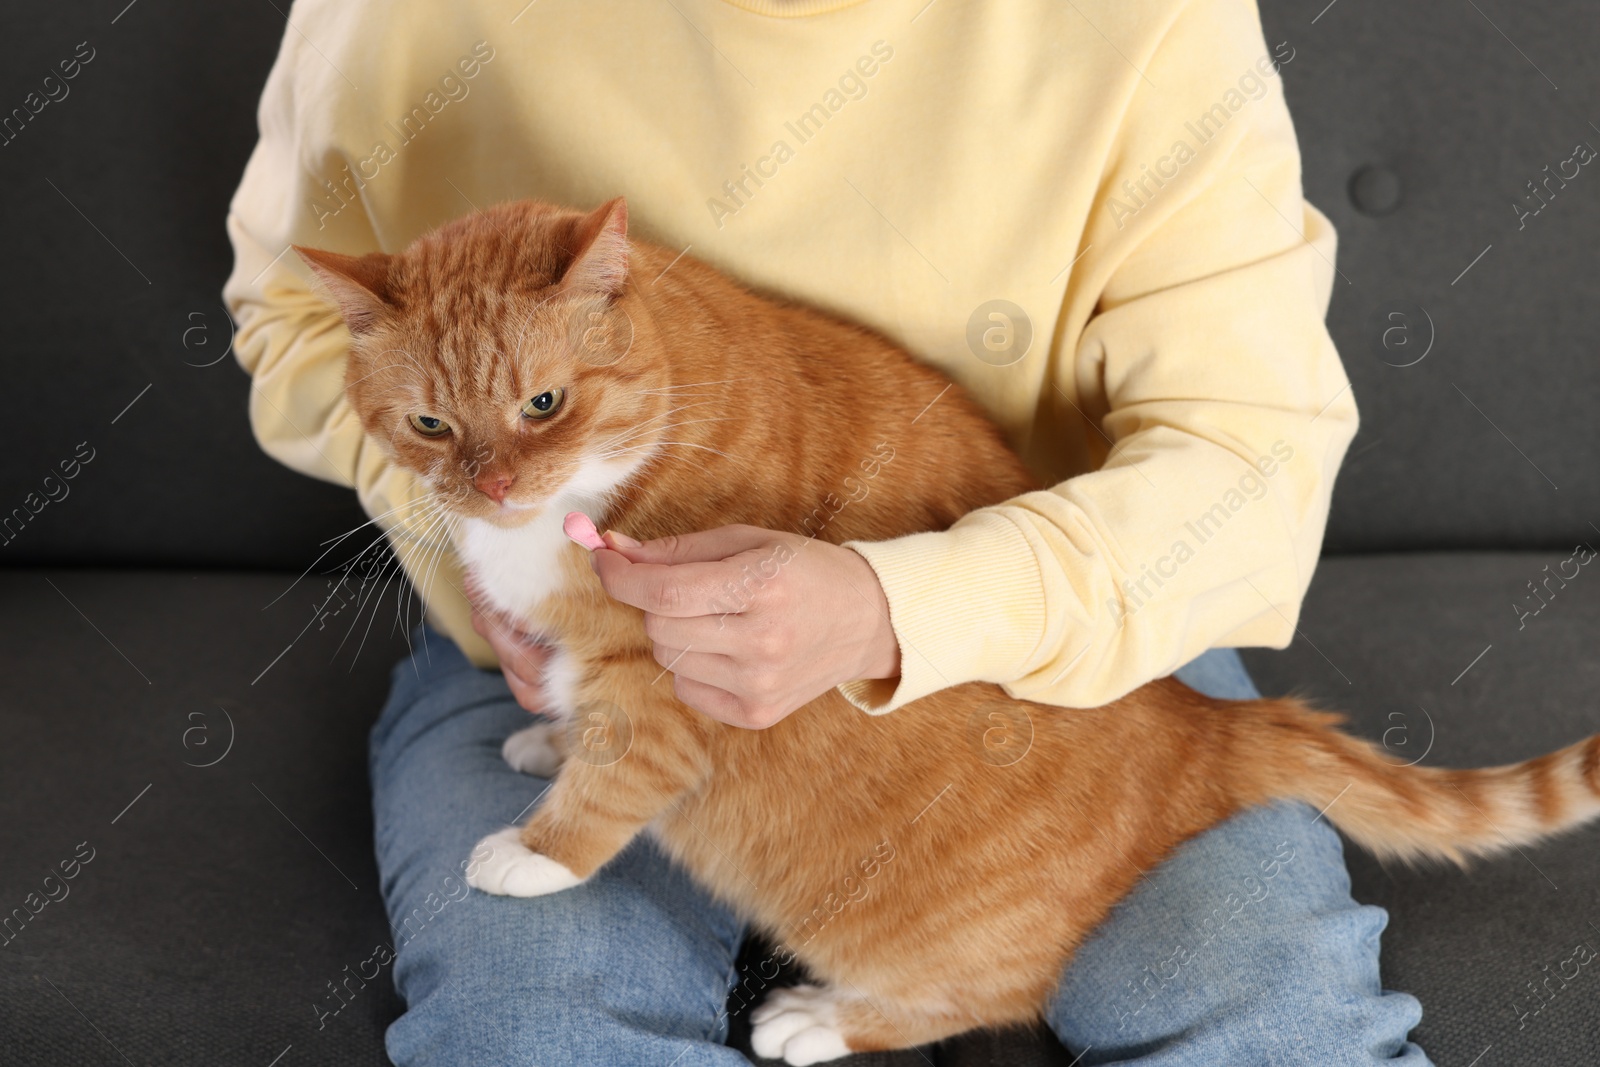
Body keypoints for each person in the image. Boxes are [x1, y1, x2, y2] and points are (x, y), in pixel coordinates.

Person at [224, 0, 1427, 1062]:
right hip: (555, 670)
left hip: (1049, 670)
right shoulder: (393, 15)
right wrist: (478, 549)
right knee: (530, 1035)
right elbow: (287, 314)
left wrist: (902, 607)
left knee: (1283, 1036)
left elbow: (1250, 456)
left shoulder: (1146, 20)